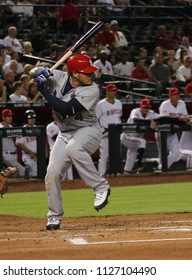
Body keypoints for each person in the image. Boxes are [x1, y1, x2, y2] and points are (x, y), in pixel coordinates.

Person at [34, 54, 111, 230]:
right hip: (65, 132)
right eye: (86, 72)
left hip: (88, 130)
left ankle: (100, 187)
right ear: (74, 73)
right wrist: (40, 72)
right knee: (51, 173)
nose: (91, 75)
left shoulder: (92, 89)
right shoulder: (59, 76)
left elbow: (65, 109)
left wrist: (44, 90)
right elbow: (32, 71)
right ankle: (54, 216)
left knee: (74, 148)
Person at [120, 98, 158, 174]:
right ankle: (139, 164)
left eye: (147, 107)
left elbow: (161, 118)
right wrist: (150, 122)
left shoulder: (151, 113)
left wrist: (156, 122)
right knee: (142, 141)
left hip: (135, 141)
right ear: (140, 106)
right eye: (144, 107)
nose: (146, 109)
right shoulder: (135, 111)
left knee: (128, 167)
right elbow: (136, 120)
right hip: (126, 136)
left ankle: (126, 173)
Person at [155, 87, 189, 170]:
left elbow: (185, 117)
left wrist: (183, 120)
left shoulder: (181, 103)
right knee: (162, 154)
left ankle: (161, 169)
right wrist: (178, 119)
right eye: (174, 95)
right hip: (162, 132)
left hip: (172, 132)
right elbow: (164, 120)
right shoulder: (165, 104)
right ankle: (162, 171)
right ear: (170, 95)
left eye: (177, 94)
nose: (177, 96)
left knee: (176, 153)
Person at [96, 83, 122, 177]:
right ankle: (101, 175)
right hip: (105, 131)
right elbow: (96, 119)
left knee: (116, 154)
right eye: (112, 91)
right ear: (107, 92)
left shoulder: (119, 103)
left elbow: (118, 117)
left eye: (114, 90)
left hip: (116, 131)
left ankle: (116, 173)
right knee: (104, 155)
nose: (114, 92)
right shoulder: (101, 104)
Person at [0, 109, 26, 177]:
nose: (10, 118)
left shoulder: (11, 127)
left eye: (11, 116)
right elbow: (4, 129)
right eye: (8, 116)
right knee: (22, 171)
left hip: (14, 155)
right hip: (6, 155)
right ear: (3, 117)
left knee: (15, 176)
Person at [46, 110, 73, 180]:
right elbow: (54, 138)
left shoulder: (66, 124)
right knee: (59, 174)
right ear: (53, 115)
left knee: (69, 175)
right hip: (55, 152)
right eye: (55, 115)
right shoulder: (49, 127)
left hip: (66, 151)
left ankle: (71, 188)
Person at [15, 110, 38, 178]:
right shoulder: (23, 129)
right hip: (28, 156)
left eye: (34, 118)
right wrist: (31, 153)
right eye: (30, 118)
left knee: (39, 172)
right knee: (35, 172)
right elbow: (19, 144)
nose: (33, 120)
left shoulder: (36, 128)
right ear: (26, 119)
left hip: (37, 155)